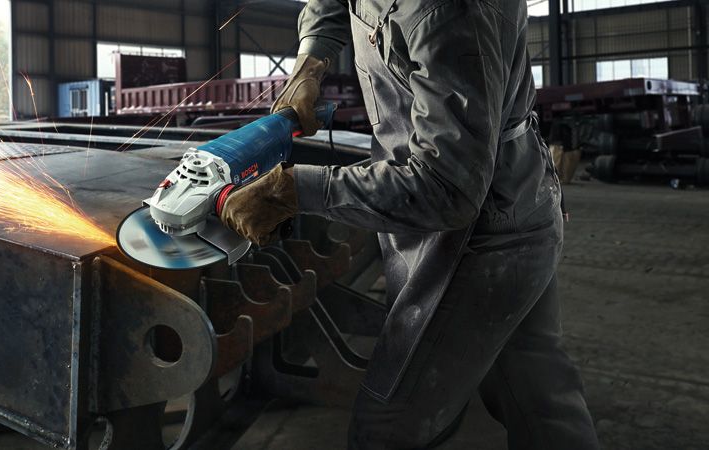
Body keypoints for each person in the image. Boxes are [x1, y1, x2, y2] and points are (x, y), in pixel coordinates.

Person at [219, 1, 600, 448]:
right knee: (538, 398)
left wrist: (293, 192)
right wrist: (311, 60)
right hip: (519, 201)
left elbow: (448, 186)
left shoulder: (449, 12)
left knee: (385, 430)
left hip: (484, 236)